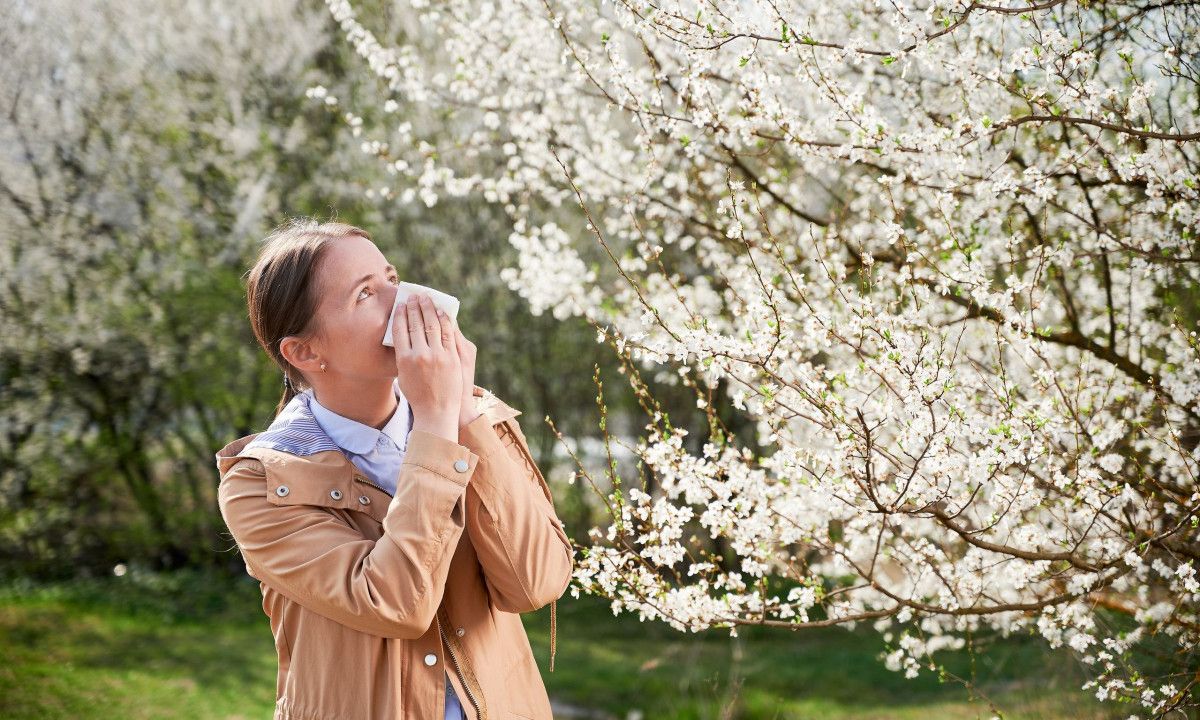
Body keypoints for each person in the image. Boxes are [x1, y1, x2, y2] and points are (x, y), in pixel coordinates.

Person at [214, 218, 573, 720]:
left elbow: (536, 582)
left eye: (392, 277)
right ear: (305, 351)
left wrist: (461, 416)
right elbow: (396, 604)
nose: (405, 300)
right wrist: (436, 425)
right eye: (365, 293)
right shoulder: (260, 484)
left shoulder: (477, 419)